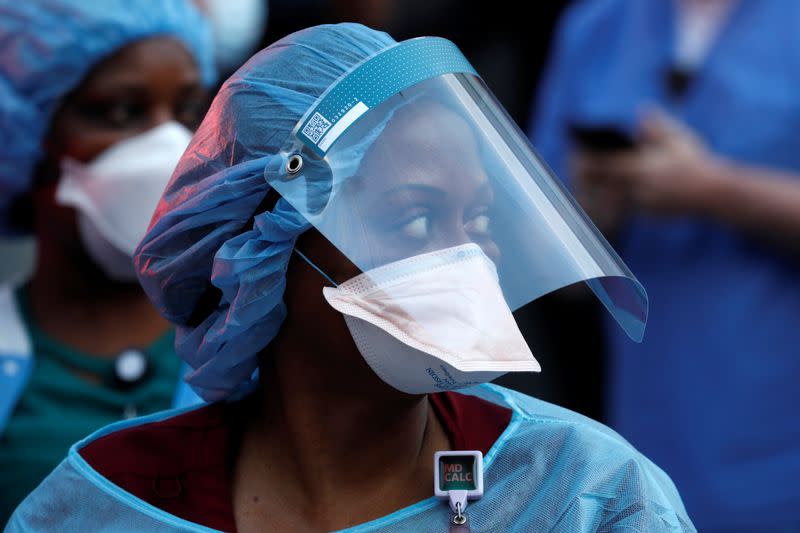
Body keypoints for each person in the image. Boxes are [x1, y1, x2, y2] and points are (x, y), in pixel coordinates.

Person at [7, 23, 695, 532]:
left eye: (481, 216)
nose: (469, 259)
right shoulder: (110, 501)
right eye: (416, 218)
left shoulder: (583, 494)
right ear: (261, 248)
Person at [529, 1, 800, 531]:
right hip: (649, 417)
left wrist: (714, 190)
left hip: (779, 426)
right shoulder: (596, 25)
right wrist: (594, 210)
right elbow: (550, 269)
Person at [0, 0, 216, 520]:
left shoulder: (258, 355)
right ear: (26, 136)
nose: (171, 148)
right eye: (121, 112)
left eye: (189, 113)